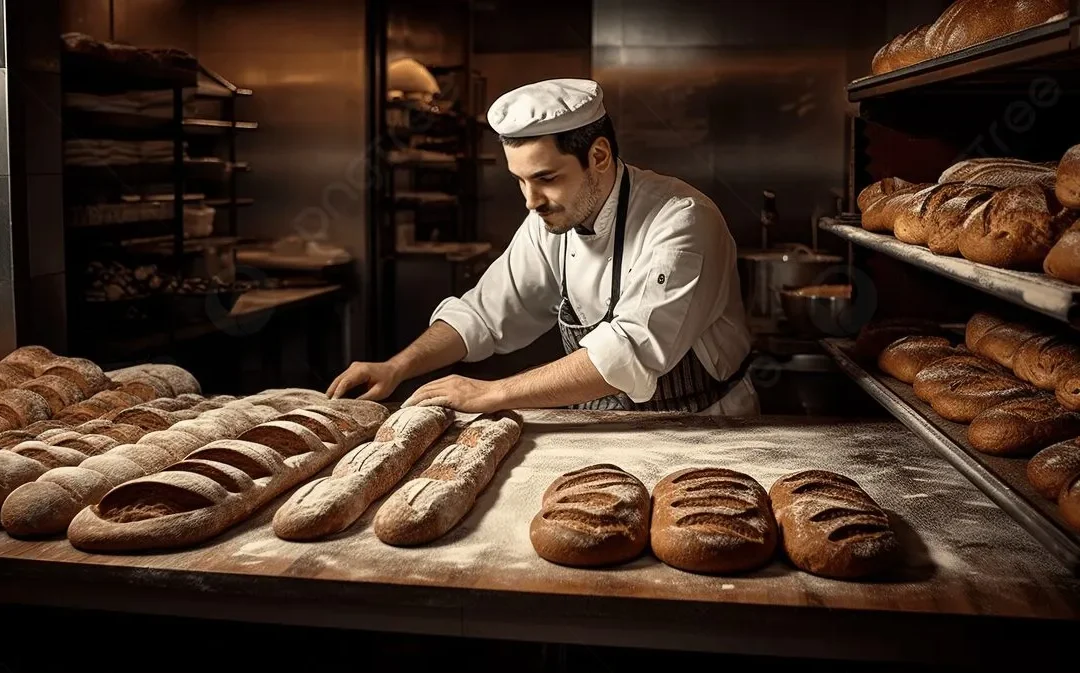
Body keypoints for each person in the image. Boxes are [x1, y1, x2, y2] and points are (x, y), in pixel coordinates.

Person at [328, 78, 758, 415]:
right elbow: (484, 313)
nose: (530, 201)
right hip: (605, 425)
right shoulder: (552, 219)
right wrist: (398, 366)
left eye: (546, 178)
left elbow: (628, 350)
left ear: (599, 156)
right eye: (520, 181)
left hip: (704, 426)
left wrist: (491, 393)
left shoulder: (682, 220)